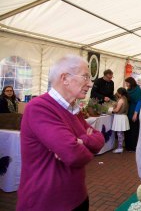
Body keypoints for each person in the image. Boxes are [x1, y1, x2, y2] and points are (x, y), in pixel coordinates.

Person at [17, 55, 105, 211]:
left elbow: (99, 140)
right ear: (65, 78)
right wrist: (84, 142)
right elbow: (74, 155)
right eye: (85, 77)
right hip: (46, 202)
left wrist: (82, 141)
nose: (90, 84)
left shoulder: (73, 109)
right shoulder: (39, 108)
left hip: (78, 197)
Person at [124, 77, 141, 152]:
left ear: (131, 83)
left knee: (134, 130)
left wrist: (135, 114)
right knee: (128, 129)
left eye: (127, 83)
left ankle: (133, 147)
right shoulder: (128, 90)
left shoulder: (137, 90)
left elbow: (139, 102)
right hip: (128, 111)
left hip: (135, 111)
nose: (126, 84)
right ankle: (128, 146)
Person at [111, 87, 130, 153]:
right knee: (121, 133)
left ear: (120, 93)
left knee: (119, 133)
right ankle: (120, 146)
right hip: (123, 117)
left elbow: (117, 110)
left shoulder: (121, 100)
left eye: (118, 92)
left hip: (120, 117)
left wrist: (111, 110)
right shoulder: (125, 99)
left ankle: (120, 147)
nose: (117, 93)